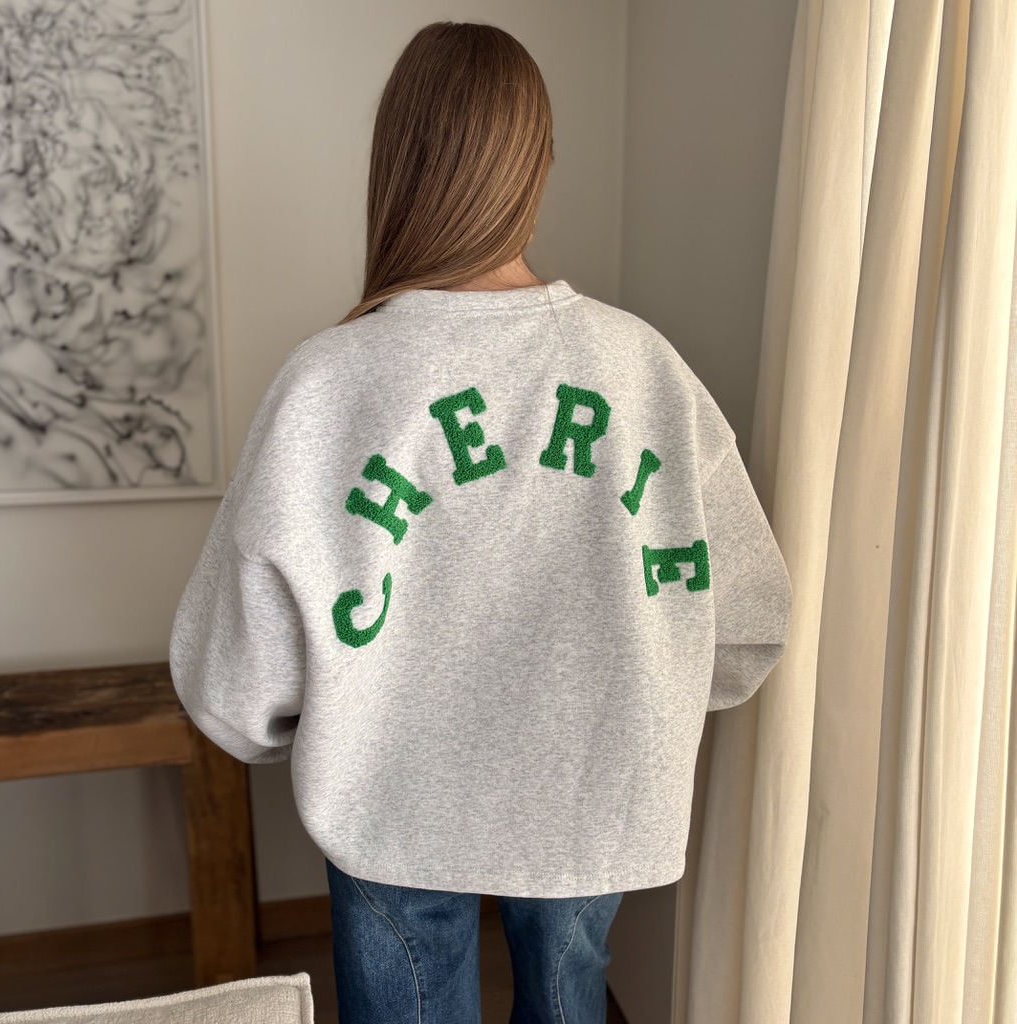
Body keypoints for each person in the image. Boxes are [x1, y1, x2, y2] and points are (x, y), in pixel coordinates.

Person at [169, 21, 792, 1024]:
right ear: (538, 167)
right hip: (593, 789)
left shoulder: (328, 383)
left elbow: (232, 680)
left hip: (388, 795)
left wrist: (317, 712)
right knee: (570, 997)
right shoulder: (641, 369)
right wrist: (634, 695)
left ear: (395, 168)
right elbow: (749, 622)